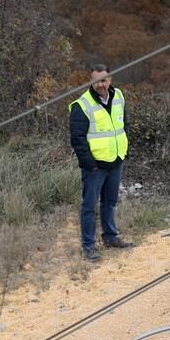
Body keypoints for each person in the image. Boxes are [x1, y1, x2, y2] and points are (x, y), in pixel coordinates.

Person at [70, 63, 133, 260]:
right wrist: (90, 164)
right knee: (89, 207)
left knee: (110, 202)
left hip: (116, 161)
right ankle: (88, 246)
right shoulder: (82, 105)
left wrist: (123, 150)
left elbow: (124, 125)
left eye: (104, 80)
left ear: (110, 79)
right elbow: (77, 139)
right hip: (95, 167)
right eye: (96, 81)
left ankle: (111, 237)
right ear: (91, 82)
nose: (100, 85)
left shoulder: (119, 96)